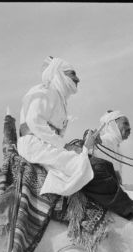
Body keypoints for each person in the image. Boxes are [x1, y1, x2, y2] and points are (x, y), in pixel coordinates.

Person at [17, 56, 95, 197]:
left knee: (90, 162)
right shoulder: (45, 91)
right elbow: (34, 121)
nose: (78, 79)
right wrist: (64, 146)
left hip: (46, 145)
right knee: (86, 166)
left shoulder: (58, 97)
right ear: (59, 73)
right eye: (73, 74)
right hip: (35, 146)